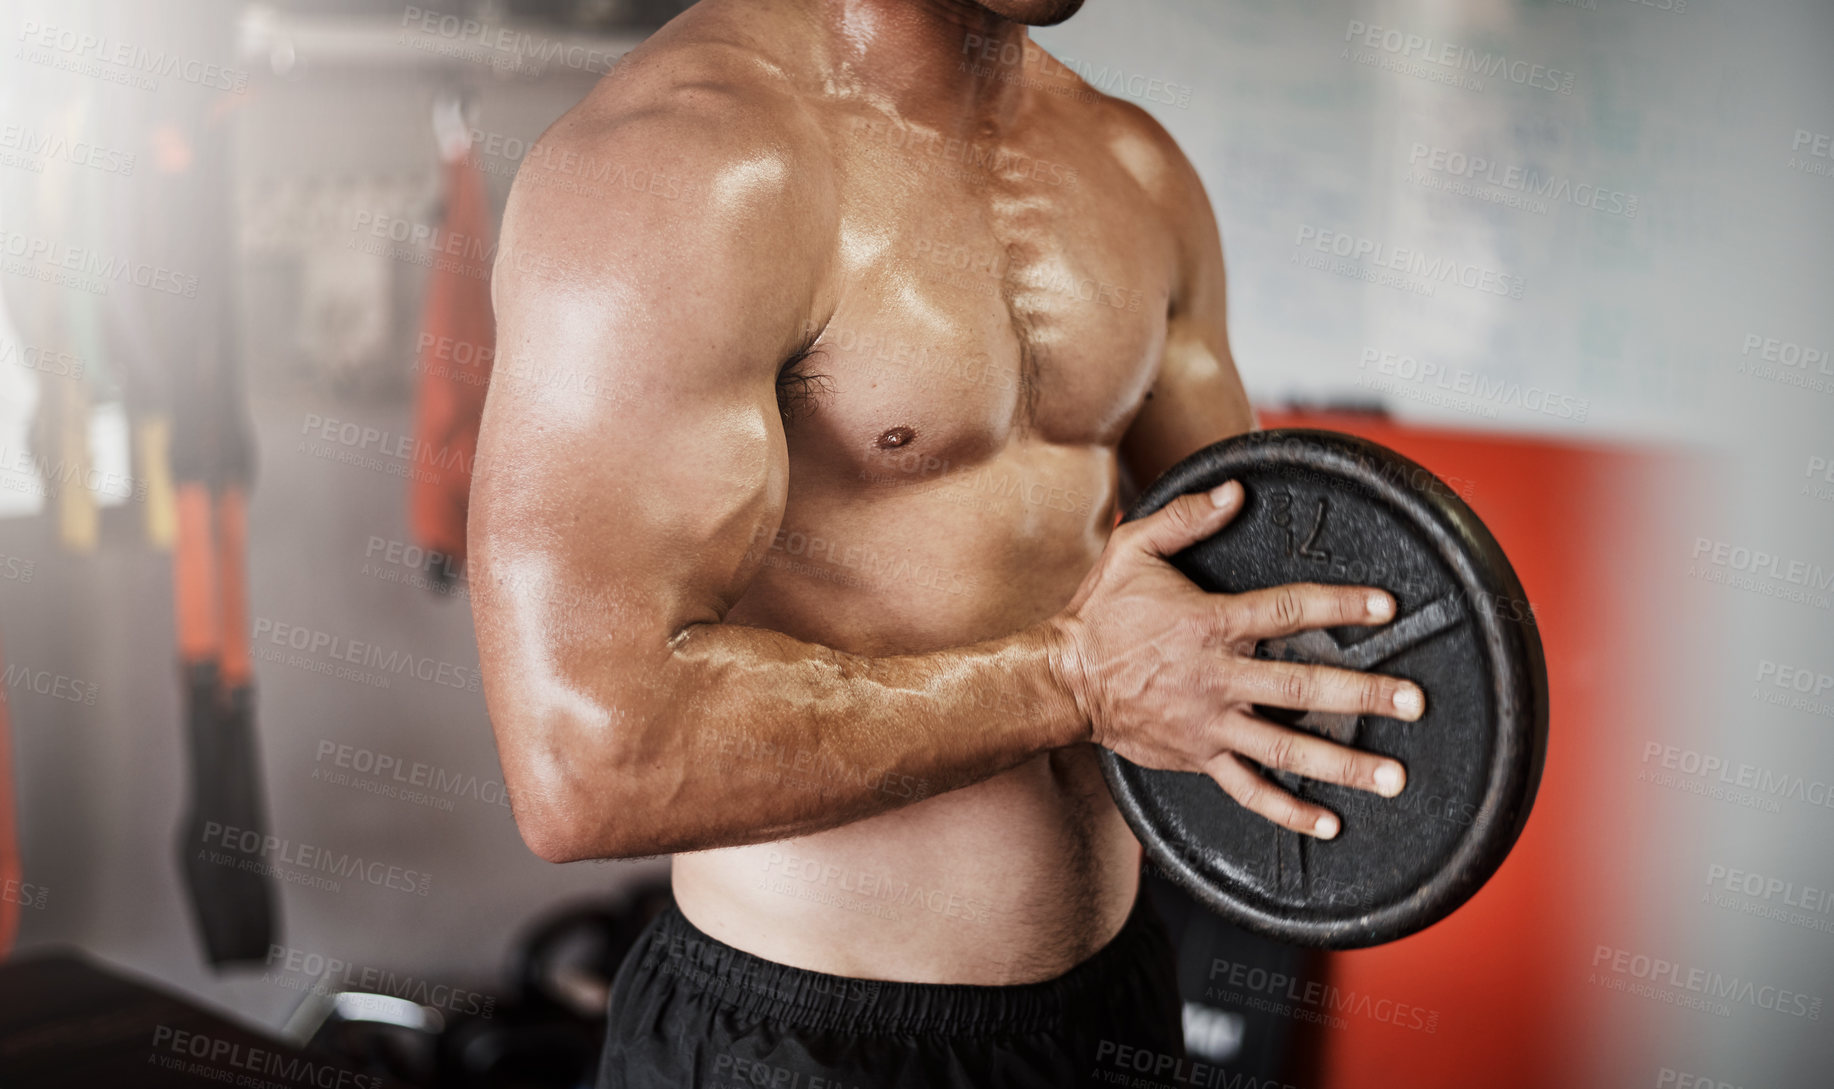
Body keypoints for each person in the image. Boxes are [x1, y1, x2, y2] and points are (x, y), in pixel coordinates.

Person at [471, 1, 1424, 1083]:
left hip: (1115, 1004)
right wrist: (1070, 682)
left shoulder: (1134, 167)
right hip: (807, 1046)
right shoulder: (683, 167)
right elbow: (590, 761)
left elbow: (1242, 587)